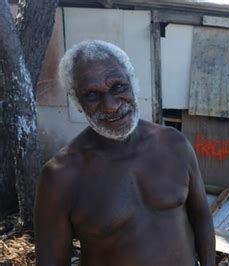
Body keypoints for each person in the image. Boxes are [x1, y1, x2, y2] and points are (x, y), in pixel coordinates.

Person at [34, 40, 215, 266]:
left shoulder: (174, 145)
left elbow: (201, 216)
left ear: (133, 83)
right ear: (78, 102)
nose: (110, 105)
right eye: (92, 95)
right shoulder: (61, 176)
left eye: (118, 86)